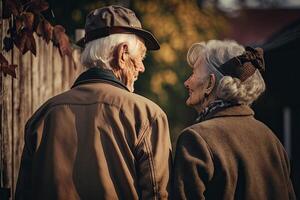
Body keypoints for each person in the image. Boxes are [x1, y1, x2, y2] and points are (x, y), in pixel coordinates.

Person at [15, 5, 172, 200]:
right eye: (140, 57)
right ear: (123, 54)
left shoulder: (42, 115)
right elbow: (158, 195)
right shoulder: (148, 115)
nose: (141, 68)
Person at [173, 40, 296, 200]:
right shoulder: (272, 139)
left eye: (193, 74)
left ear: (210, 83)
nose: (186, 82)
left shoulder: (196, 139)